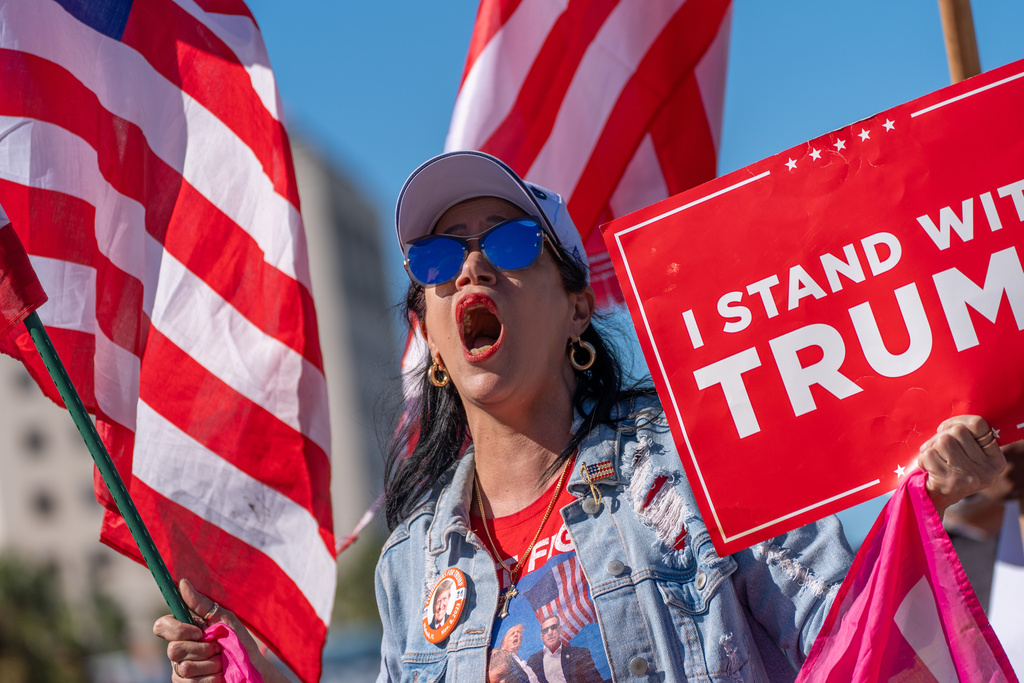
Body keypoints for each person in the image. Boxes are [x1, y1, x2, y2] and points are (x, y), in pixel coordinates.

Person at [152, 151, 1008, 682]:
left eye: (514, 244)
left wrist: (933, 507)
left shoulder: (695, 466)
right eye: (441, 257)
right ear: (430, 338)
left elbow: (854, 633)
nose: (475, 265)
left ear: (575, 309)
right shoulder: (410, 563)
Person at [527, 616, 603, 683]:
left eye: (553, 628)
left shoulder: (579, 654)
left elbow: (595, 680)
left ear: (560, 630)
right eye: (545, 630)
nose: (550, 632)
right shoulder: (533, 661)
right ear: (541, 636)